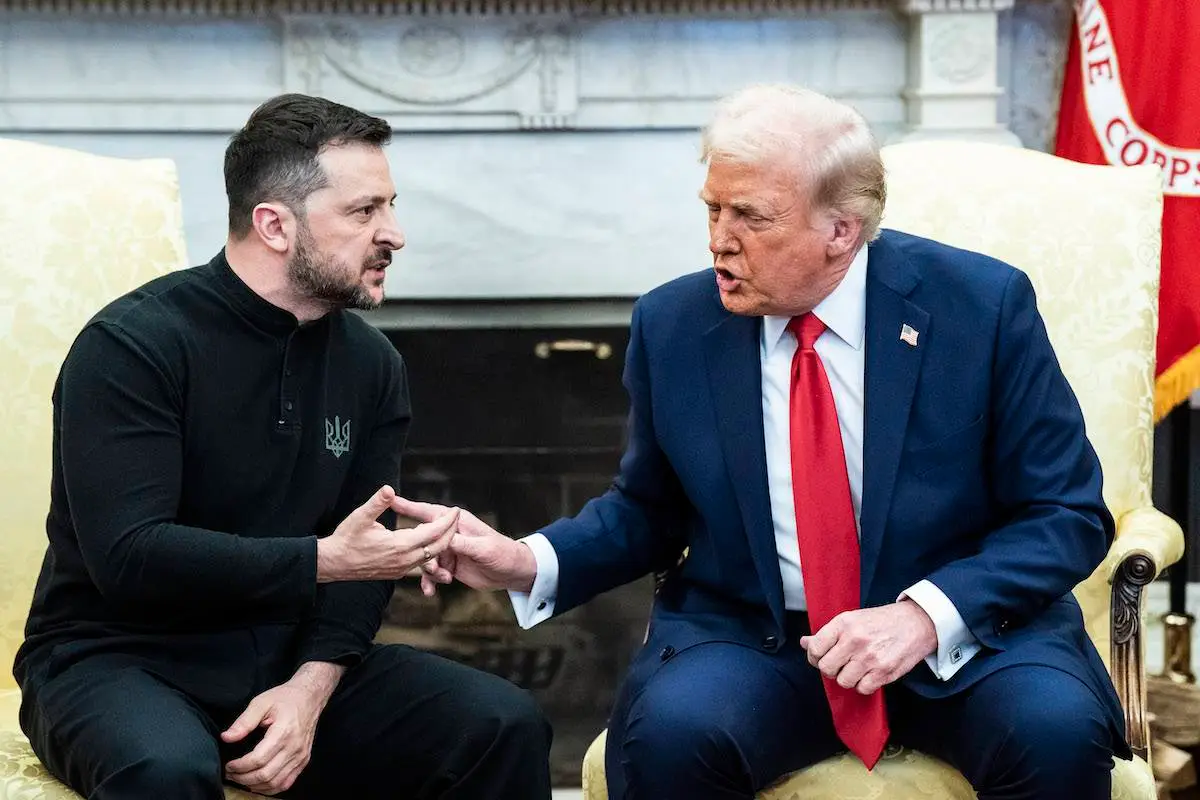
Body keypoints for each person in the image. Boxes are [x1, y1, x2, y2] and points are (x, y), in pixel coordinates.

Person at [399, 83, 1131, 800]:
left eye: (751, 216)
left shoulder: (980, 307)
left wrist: (923, 616)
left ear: (841, 230)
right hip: (761, 638)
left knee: (1055, 731)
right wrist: (526, 561)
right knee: (667, 736)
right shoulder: (675, 324)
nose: (720, 239)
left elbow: (1065, 512)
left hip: (964, 638)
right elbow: (648, 510)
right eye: (713, 208)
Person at [13, 93, 552, 800]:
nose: (394, 234)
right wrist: (325, 560)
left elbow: (366, 561)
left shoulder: (372, 365)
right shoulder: (132, 346)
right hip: (116, 659)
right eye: (364, 211)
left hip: (287, 662)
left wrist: (310, 689)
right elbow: (130, 556)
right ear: (274, 224)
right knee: (164, 769)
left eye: (390, 206)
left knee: (501, 723)